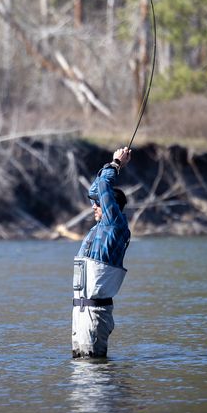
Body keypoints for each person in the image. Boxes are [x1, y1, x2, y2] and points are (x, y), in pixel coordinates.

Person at [71, 146, 132, 359]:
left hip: (95, 314)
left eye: (99, 204)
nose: (94, 206)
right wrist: (111, 166)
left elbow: (104, 186)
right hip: (80, 312)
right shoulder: (99, 229)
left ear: (111, 207)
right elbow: (95, 190)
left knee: (93, 374)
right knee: (82, 371)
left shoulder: (114, 225)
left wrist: (116, 164)